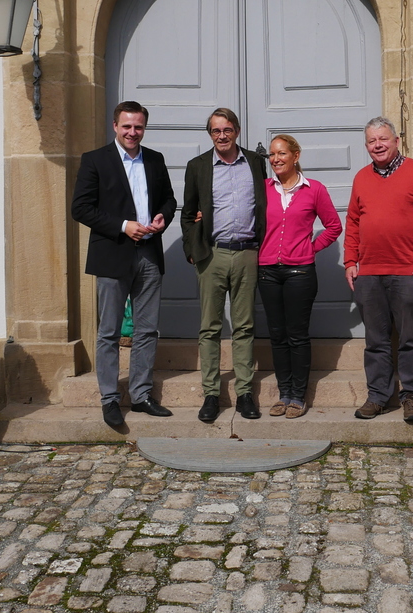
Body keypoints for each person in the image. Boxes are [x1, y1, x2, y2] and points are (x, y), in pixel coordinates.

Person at [71, 101, 177, 431]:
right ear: (115, 126)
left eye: (139, 127)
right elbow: (81, 208)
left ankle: (142, 395)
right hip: (113, 253)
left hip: (148, 254)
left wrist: (164, 216)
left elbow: (169, 200)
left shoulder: (155, 159)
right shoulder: (95, 160)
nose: (133, 132)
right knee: (109, 333)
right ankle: (109, 400)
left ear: (144, 128)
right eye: (127, 126)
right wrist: (123, 225)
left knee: (146, 330)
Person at [344, 117, 413, 425]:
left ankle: (412, 397)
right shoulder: (362, 178)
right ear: (366, 146)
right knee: (375, 340)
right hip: (370, 273)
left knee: (410, 339)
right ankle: (377, 397)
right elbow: (353, 222)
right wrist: (350, 261)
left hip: (408, 272)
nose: (378, 145)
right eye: (372, 141)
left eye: (383, 139)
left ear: (396, 140)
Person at [181, 108, 267, 423]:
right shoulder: (198, 166)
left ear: (237, 131)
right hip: (212, 255)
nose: (222, 136)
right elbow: (188, 213)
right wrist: (193, 249)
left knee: (244, 326)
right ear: (210, 134)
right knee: (210, 328)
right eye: (216, 131)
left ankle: (245, 393)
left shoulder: (256, 164)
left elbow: (265, 204)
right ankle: (211, 395)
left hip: (247, 254)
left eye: (227, 130)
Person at [257, 135, 342, 418]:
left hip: (300, 273)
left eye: (281, 153)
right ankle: (283, 393)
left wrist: (310, 247)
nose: (275, 159)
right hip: (268, 271)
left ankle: (298, 395)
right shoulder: (263, 188)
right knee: (277, 336)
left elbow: (333, 226)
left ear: (296, 156)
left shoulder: (314, 189)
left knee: (297, 335)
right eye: (272, 154)